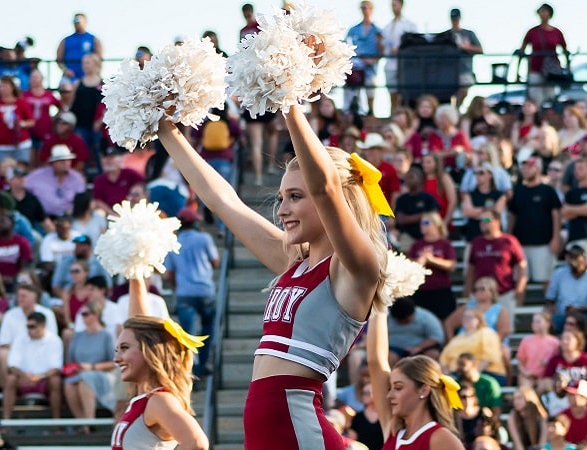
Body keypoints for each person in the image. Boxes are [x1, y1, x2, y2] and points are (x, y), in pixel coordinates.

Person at [157, 91, 391, 446]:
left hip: (297, 429)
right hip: (266, 429)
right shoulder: (293, 263)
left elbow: (325, 187)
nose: (282, 210)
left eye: (296, 197)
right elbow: (222, 200)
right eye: (281, 197)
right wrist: (166, 131)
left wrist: (288, 101)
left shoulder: (355, 269)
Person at [111, 277, 208, 449]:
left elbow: (196, 443)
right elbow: (138, 322)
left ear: (150, 351)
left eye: (124, 348)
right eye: (117, 350)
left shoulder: (160, 401)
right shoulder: (144, 399)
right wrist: (135, 274)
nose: (117, 358)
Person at [366, 308, 463, 450]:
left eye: (398, 388)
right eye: (391, 387)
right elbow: (375, 361)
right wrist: (380, 303)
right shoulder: (394, 430)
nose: (389, 394)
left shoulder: (441, 438)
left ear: (423, 389)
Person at [164, 207, 219, 376]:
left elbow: (169, 273)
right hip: (205, 290)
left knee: (187, 334)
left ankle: (190, 369)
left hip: (185, 293)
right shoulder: (204, 239)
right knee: (208, 327)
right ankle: (203, 363)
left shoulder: (173, 243)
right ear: (195, 222)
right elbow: (215, 262)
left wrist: (176, 287)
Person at [509, 156, 562, 288]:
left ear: (538, 169)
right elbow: (512, 215)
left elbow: (556, 215)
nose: (525, 170)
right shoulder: (518, 190)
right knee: (520, 279)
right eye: (524, 167)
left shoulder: (548, 191)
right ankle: (517, 308)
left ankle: (549, 307)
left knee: (546, 279)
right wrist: (509, 238)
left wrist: (556, 238)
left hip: (543, 243)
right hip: (520, 243)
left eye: (529, 167)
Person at [63, 301, 115, 433]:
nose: (83, 317)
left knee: (85, 381)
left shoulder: (106, 335)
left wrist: (91, 367)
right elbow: (71, 359)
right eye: (82, 314)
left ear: (96, 315)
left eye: (86, 314)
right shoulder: (78, 336)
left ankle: (90, 421)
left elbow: (113, 362)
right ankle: (83, 423)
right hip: (79, 373)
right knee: (69, 385)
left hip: (101, 373)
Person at [3, 311, 63, 419]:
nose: (29, 330)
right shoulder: (20, 339)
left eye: (32, 326)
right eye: (28, 326)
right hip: (23, 379)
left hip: (44, 381)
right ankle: (6, 421)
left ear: (43, 326)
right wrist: (24, 376)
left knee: (56, 381)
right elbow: (12, 365)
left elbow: (56, 368)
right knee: (10, 379)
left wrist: (40, 377)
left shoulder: (54, 340)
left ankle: (56, 422)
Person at [517, 3, 570, 106]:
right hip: (535, 67)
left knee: (549, 96)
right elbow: (522, 51)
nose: (542, 14)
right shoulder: (532, 32)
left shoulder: (556, 32)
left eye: (545, 11)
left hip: (551, 70)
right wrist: (517, 72)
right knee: (535, 96)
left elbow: (565, 50)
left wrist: (567, 69)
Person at [407, 212, 457, 321]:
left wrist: (432, 260)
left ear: (436, 224)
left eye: (426, 222)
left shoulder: (445, 244)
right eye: (421, 223)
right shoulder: (417, 244)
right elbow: (409, 265)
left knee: (444, 320)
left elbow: (452, 265)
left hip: (440, 290)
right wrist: (421, 261)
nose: (422, 225)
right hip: (421, 290)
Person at [440, 308, 507, 385]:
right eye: (464, 317)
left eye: (469, 317)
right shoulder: (457, 338)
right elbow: (444, 359)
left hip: (484, 373)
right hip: (457, 374)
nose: (466, 319)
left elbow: (488, 359)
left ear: (478, 319)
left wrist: (471, 374)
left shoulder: (487, 333)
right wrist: (448, 375)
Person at [0, 75, 34, 164]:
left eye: (5, 86)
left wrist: (21, 124)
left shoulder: (21, 103)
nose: (2, 89)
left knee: (20, 172)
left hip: (21, 145)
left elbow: (32, 121)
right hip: (1, 146)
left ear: (12, 87)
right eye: (0, 86)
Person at [24, 145, 86, 217]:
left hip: (70, 218)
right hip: (44, 218)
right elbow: (21, 184)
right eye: (62, 161)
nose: (66, 163)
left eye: (68, 160)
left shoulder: (77, 178)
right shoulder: (37, 176)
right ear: (54, 162)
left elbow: (82, 200)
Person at [345, 1, 383, 115]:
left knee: (371, 88)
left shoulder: (377, 30)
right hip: (355, 65)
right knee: (352, 89)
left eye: (367, 7)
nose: (365, 10)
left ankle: (371, 112)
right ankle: (353, 110)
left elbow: (381, 50)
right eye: (362, 8)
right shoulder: (353, 29)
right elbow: (346, 45)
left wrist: (373, 60)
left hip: (371, 66)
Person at [440, 9, 483, 108]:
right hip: (448, 70)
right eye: (453, 19)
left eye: (456, 19)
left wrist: (464, 47)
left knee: (464, 90)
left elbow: (480, 50)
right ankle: (451, 111)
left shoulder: (469, 34)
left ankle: (457, 110)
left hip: (464, 69)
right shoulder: (445, 35)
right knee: (448, 94)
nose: (455, 21)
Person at [544, 245, 587, 333]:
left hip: (586, 315)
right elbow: (550, 299)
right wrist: (551, 311)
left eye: (575, 257)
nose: (571, 260)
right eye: (569, 257)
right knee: (551, 322)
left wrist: (578, 309)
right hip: (563, 315)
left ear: (584, 258)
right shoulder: (559, 273)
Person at [386, 297, 444, 366]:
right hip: (394, 349)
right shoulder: (387, 318)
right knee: (387, 357)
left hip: (421, 349)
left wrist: (419, 347)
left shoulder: (426, 318)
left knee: (433, 354)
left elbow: (437, 337)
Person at [381, 0, 417, 109]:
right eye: (392, 5)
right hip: (390, 64)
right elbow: (384, 46)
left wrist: (400, 49)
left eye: (395, 5)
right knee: (392, 93)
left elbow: (414, 43)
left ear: (401, 6)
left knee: (404, 93)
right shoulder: (387, 27)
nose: (393, 8)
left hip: (405, 65)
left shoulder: (409, 25)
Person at [516, 312, 560, 387]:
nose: (534, 324)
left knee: (546, 386)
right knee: (526, 388)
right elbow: (520, 362)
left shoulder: (555, 342)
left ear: (547, 323)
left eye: (538, 321)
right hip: (528, 376)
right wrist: (525, 373)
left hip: (546, 377)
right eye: (533, 321)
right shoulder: (526, 340)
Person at [56, 13, 103, 82]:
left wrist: (95, 72)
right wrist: (65, 70)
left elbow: (99, 58)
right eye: (74, 21)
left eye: (78, 20)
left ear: (85, 22)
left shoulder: (93, 39)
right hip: (70, 77)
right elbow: (59, 59)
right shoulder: (66, 40)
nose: (76, 23)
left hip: (88, 77)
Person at [557, 379, 587, 445]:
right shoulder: (562, 416)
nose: (568, 397)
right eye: (568, 394)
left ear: (584, 397)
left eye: (572, 394)